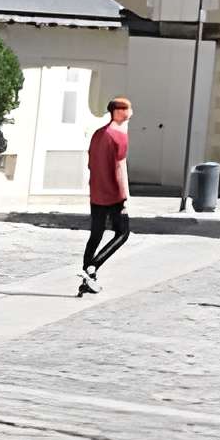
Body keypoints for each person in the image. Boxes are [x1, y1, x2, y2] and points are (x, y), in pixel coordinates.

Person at [79, 96, 133, 296]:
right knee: (123, 232)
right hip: (113, 194)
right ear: (120, 112)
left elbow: (90, 162)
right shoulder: (120, 136)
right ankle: (93, 266)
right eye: (128, 108)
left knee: (96, 234)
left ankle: (87, 279)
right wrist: (124, 197)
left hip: (96, 191)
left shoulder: (97, 134)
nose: (131, 112)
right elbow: (120, 168)